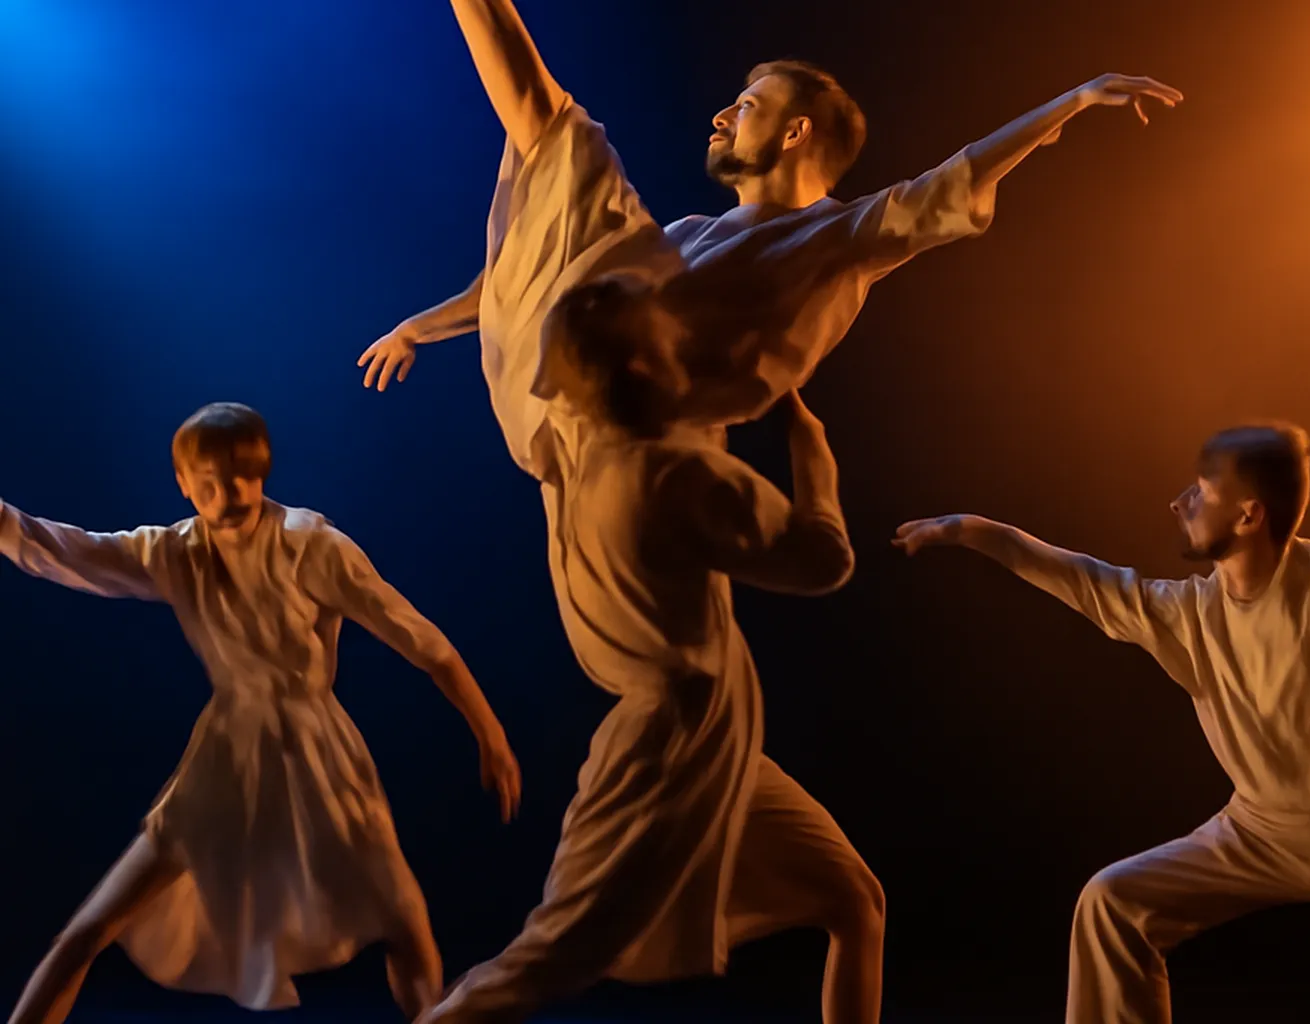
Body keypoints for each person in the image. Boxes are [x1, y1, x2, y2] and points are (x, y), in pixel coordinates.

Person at [356, 0, 1182, 486]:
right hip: (567, 395)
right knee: (568, 169)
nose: (722, 115)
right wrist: (416, 328)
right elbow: (531, 273)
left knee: (567, 139)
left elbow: (953, 179)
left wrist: (1072, 104)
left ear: (795, 133)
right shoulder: (685, 236)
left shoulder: (840, 235)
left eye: (747, 106)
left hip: (629, 442)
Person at [892, 423, 1310, 1023]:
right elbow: (1086, 583)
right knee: (1113, 903)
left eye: (1201, 492)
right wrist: (976, 532)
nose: (1180, 503)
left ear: (1249, 514)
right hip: (1259, 832)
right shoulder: (1194, 614)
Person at [415, 289, 878, 1024]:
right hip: (675, 748)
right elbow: (824, 560)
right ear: (639, 366)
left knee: (853, 898)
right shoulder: (678, 476)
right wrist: (809, 445)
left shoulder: (576, 455)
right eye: (669, 346)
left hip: (711, 736)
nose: (682, 355)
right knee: (547, 960)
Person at [2, 402, 522, 1023]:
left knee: (405, 923)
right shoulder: (175, 552)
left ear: (264, 470)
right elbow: (66, 550)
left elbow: (423, 642)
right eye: (211, 482)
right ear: (183, 483)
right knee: (88, 929)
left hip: (317, 754)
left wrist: (490, 734)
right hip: (228, 756)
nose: (230, 494)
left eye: (244, 477)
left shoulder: (309, 545)